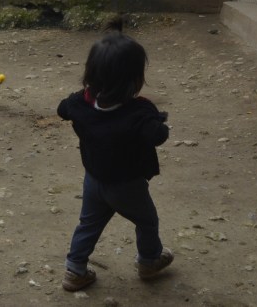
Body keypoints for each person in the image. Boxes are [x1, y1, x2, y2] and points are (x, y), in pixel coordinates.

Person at [57, 20, 173, 292]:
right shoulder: (137, 113)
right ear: (134, 80)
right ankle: (149, 260)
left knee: (88, 224)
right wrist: (158, 120)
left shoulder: (82, 103)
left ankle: (74, 270)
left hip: (94, 179)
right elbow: (159, 136)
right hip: (127, 184)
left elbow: (63, 109)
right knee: (146, 220)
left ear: (91, 75)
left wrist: (83, 94)